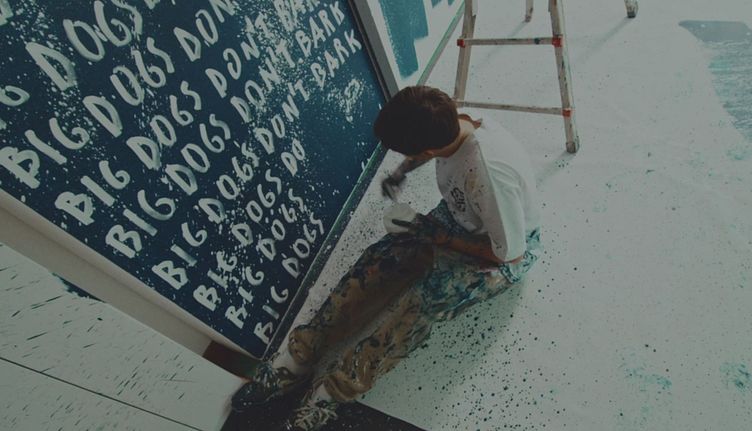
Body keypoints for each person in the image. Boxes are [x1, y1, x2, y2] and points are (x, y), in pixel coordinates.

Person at [231, 86, 542, 431]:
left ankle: (333, 392)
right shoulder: (452, 118)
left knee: (420, 304)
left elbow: (509, 253)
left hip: (502, 251)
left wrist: (441, 239)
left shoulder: (487, 176)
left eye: (411, 153)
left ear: (429, 149)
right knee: (376, 263)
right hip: (463, 217)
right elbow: (429, 151)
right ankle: (298, 360)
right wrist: (402, 170)